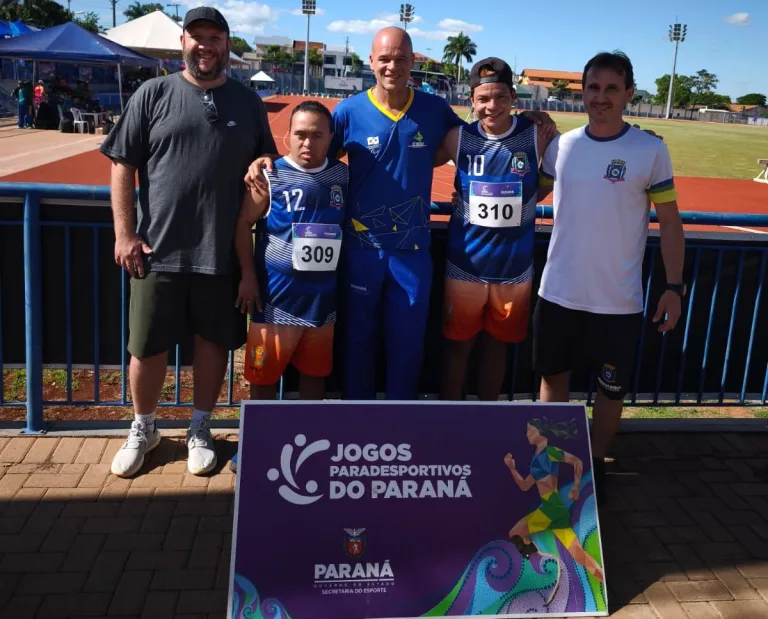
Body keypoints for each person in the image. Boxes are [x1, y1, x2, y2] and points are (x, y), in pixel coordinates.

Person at [245, 27, 555, 401]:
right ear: (371, 61)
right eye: (385, 59)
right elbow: (311, 157)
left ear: (411, 63)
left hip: (412, 252)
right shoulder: (348, 112)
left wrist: (531, 119)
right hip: (361, 250)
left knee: (407, 344)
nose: (393, 66)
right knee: (358, 342)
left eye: (401, 59)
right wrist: (268, 160)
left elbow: (483, 139)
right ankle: (358, 419)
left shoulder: (434, 110)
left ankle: (402, 422)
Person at [100, 6, 277, 478]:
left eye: (214, 37)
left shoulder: (247, 102)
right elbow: (122, 164)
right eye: (197, 36)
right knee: (146, 347)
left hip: (221, 251)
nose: (205, 45)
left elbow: (266, 155)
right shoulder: (153, 93)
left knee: (212, 344)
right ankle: (144, 427)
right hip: (157, 250)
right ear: (183, 43)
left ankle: (200, 427)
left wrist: (262, 163)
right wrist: (124, 232)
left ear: (227, 44)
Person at [534, 51, 685, 505]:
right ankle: (551, 467)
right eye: (593, 88)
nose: (600, 97)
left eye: (611, 89)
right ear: (583, 92)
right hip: (558, 292)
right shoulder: (561, 147)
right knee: (553, 381)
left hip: (618, 301)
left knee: (610, 391)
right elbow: (529, 194)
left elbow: (670, 223)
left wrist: (674, 287)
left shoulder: (649, 149)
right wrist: (528, 141)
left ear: (628, 94)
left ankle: (595, 465)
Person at [434, 58, 556, 401]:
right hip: (465, 268)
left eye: (500, 97)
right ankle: (447, 420)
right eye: (483, 98)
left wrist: (637, 141)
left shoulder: (537, 134)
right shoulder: (457, 138)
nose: (492, 106)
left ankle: (488, 418)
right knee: (458, 348)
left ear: (513, 97)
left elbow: (578, 158)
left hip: (514, 271)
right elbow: (412, 159)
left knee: (497, 348)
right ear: (471, 100)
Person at [235, 100, 348, 401]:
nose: (308, 143)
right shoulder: (270, 175)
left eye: (317, 135)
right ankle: (261, 433)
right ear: (288, 135)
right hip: (275, 301)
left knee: (314, 378)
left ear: (330, 137)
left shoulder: (342, 176)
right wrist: (248, 276)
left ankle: (307, 432)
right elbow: (243, 223)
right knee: (263, 379)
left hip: (321, 303)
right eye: (300, 134)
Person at [504, 418, 604, 583]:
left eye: (531, 430)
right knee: (578, 555)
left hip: (551, 508)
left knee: (516, 533)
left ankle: (543, 569)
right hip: (553, 509)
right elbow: (524, 486)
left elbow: (577, 461)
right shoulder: (536, 459)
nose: (528, 434)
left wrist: (576, 487)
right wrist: (512, 468)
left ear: (541, 433)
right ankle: (600, 578)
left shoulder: (550, 452)